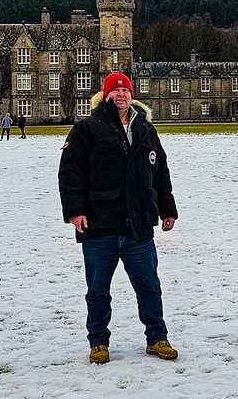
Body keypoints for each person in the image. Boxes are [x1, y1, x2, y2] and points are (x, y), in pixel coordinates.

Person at [58, 72, 179, 365]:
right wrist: (75, 212)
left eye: (125, 90)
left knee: (149, 286)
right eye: (115, 90)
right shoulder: (87, 129)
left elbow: (160, 172)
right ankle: (98, 342)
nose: (121, 95)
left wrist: (167, 209)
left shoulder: (146, 130)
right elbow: (70, 173)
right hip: (100, 225)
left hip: (138, 224)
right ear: (106, 95)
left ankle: (157, 337)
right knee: (98, 290)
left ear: (132, 95)